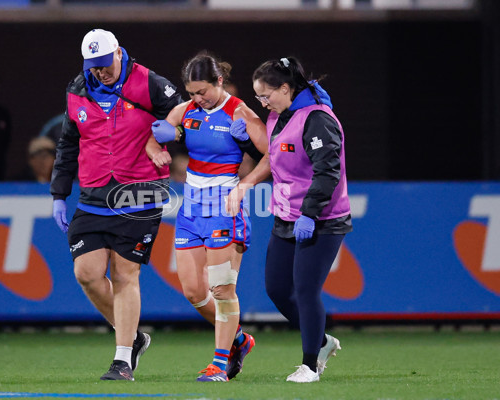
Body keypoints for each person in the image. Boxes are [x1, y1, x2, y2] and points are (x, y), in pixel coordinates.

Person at [50, 29, 182, 381]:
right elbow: (67, 144)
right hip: (93, 195)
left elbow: (184, 111)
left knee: (125, 274)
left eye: (105, 65)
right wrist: (58, 195)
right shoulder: (77, 90)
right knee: (87, 274)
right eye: (93, 67)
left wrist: (167, 134)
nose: (100, 72)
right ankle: (134, 337)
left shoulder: (150, 83)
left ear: (119, 53)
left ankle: (122, 359)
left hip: (139, 192)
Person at [226, 56, 352, 383]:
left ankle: (310, 365)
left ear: (286, 88)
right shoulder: (278, 117)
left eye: (266, 95)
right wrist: (245, 142)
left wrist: (309, 214)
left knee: (307, 290)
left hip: (321, 219)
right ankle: (321, 340)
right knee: (278, 290)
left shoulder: (318, 120)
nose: (263, 102)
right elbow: (281, 161)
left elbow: (328, 173)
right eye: (258, 97)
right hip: (286, 216)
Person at [146, 52, 267, 382]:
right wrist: (159, 149)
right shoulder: (185, 111)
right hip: (191, 207)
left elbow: (271, 156)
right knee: (193, 292)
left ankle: (219, 363)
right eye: (191, 93)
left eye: (202, 92)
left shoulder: (240, 112)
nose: (196, 99)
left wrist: (244, 185)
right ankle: (239, 339)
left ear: (219, 81)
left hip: (224, 207)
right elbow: (154, 137)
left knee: (222, 289)